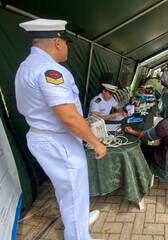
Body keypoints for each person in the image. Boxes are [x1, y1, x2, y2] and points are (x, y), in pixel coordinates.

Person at [15, 19, 106, 240]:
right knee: (73, 190)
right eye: (66, 42)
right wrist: (96, 142)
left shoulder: (25, 66)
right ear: (57, 42)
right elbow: (69, 117)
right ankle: (78, 235)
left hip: (43, 136)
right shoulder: (51, 70)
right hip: (58, 140)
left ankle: (79, 219)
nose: (66, 47)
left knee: (67, 188)